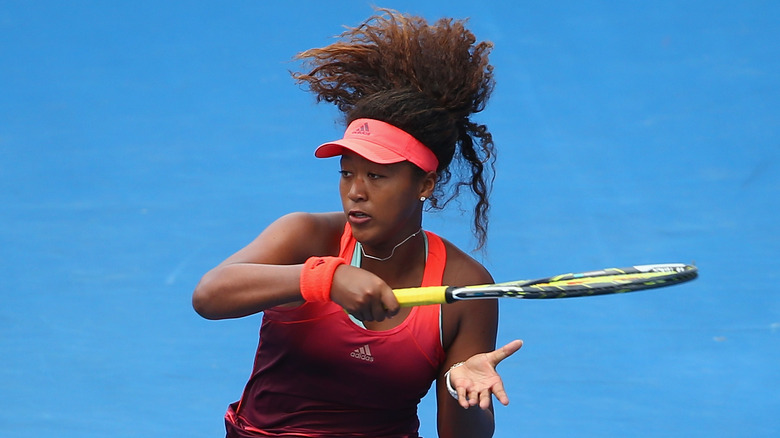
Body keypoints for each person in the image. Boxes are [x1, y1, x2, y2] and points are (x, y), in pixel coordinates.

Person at [192, 9, 523, 438]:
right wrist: (324, 279)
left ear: (425, 183)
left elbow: (463, 436)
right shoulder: (307, 236)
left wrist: (466, 390)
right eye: (347, 173)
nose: (356, 191)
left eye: (377, 176)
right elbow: (209, 295)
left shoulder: (465, 285)